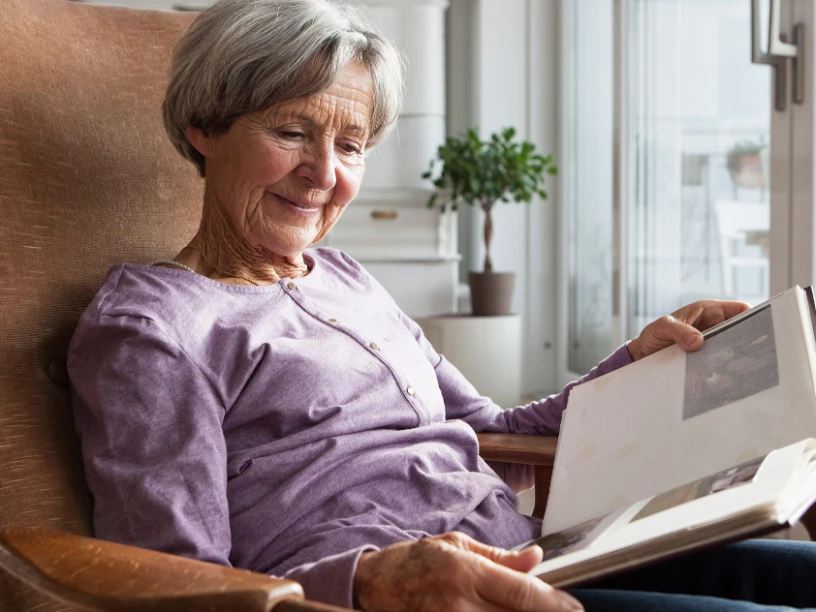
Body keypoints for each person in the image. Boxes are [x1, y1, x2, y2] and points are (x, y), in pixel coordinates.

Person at [66, 1, 816, 611]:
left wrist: (636, 366)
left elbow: (488, 431)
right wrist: (370, 580)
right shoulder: (151, 329)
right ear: (205, 126)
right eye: (291, 131)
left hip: (536, 552)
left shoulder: (345, 278)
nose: (323, 174)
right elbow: (174, 580)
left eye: (352, 145)